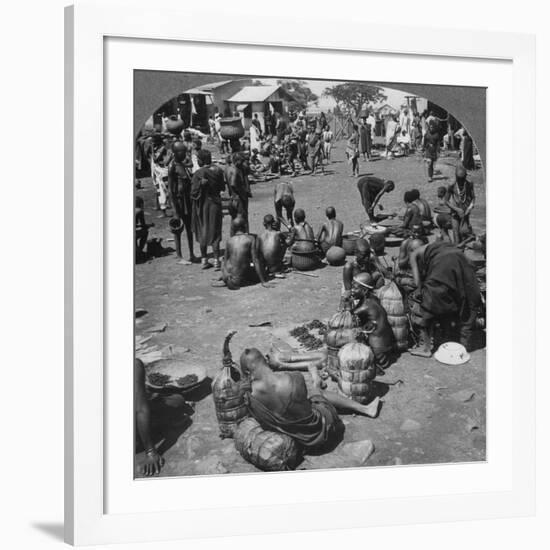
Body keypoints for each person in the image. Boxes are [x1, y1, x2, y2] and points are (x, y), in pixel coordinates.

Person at [240, 348, 379, 453]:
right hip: (320, 433)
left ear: (247, 372)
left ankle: (364, 408)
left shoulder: (250, 396)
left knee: (301, 399)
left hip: (295, 440)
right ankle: (365, 409)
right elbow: (311, 403)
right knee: (317, 393)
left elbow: (265, 420)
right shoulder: (293, 378)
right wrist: (315, 377)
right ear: (266, 360)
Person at [408, 240, 482, 356]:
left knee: (426, 306)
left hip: (443, 267)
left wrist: (419, 292)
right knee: (461, 295)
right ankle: (456, 339)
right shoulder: (435, 245)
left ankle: (425, 348)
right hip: (460, 260)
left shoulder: (414, 254)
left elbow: (417, 282)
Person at [351, 273, 396, 373]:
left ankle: (376, 365)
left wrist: (344, 300)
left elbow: (347, 315)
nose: (352, 291)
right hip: (385, 341)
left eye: (355, 288)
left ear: (364, 291)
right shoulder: (372, 299)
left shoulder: (366, 305)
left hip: (378, 347)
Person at [191, 149, 226, 270]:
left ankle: (204, 260)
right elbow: (222, 187)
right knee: (216, 231)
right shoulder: (218, 171)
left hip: (202, 206)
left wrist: (201, 185)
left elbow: (193, 193)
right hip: (215, 204)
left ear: (201, 160)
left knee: (203, 230)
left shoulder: (198, 174)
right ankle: (217, 261)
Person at [214, 217, 270, 290]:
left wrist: (224, 275)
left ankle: (225, 278)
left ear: (233, 228)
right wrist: (263, 281)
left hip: (227, 277)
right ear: (245, 227)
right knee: (261, 269)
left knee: (229, 261)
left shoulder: (229, 240)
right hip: (238, 281)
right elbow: (255, 260)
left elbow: (225, 261)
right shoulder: (250, 239)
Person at [167, 141, 197, 263]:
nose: (184, 153)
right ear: (175, 152)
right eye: (182, 151)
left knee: (190, 228)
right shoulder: (172, 166)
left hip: (187, 200)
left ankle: (191, 253)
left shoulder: (183, 163)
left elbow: (190, 165)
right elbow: (170, 189)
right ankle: (179, 256)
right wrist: (174, 210)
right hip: (179, 201)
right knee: (178, 228)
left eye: (185, 150)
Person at [135, 359, 165, 476]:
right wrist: (151, 452)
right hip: (136, 443)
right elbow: (140, 410)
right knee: (177, 400)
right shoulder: (134, 364)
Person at [342, 238, 385, 302]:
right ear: (356, 253)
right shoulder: (349, 267)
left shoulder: (371, 260)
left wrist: (376, 258)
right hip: (355, 292)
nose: (367, 258)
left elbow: (385, 272)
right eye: (364, 255)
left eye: (368, 254)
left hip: (366, 289)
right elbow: (348, 290)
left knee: (379, 275)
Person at [446, 165, 475, 244]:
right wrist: (457, 209)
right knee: (456, 234)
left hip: (465, 214)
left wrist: (470, 208)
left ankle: (461, 249)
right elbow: (446, 201)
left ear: (465, 176)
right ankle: (457, 250)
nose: (461, 181)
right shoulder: (452, 185)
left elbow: (473, 198)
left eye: (463, 179)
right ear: (456, 176)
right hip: (455, 213)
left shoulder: (469, 185)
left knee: (464, 233)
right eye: (459, 179)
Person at [227, 153, 251, 235]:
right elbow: (233, 184)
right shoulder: (235, 170)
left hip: (232, 197)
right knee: (243, 218)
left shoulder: (227, 169)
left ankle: (232, 238)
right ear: (237, 161)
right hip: (238, 198)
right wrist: (242, 194)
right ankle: (246, 236)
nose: (242, 164)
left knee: (233, 219)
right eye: (241, 161)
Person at [150, 132, 173, 216]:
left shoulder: (162, 148)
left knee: (165, 189)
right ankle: (162, 207)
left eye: (153, 140)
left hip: (162, 170)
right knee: (159, 188)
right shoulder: (158, 147)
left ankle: (169, 207)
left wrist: (152, 149)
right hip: (158, 170)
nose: (152, 142)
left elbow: (156, 159)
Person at [135, 196, 152, 262]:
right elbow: (143, 225)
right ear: (141, 204)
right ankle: (140, 250)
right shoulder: (139, 211)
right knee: (145, 232)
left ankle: (137, 251)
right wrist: (150, 225)